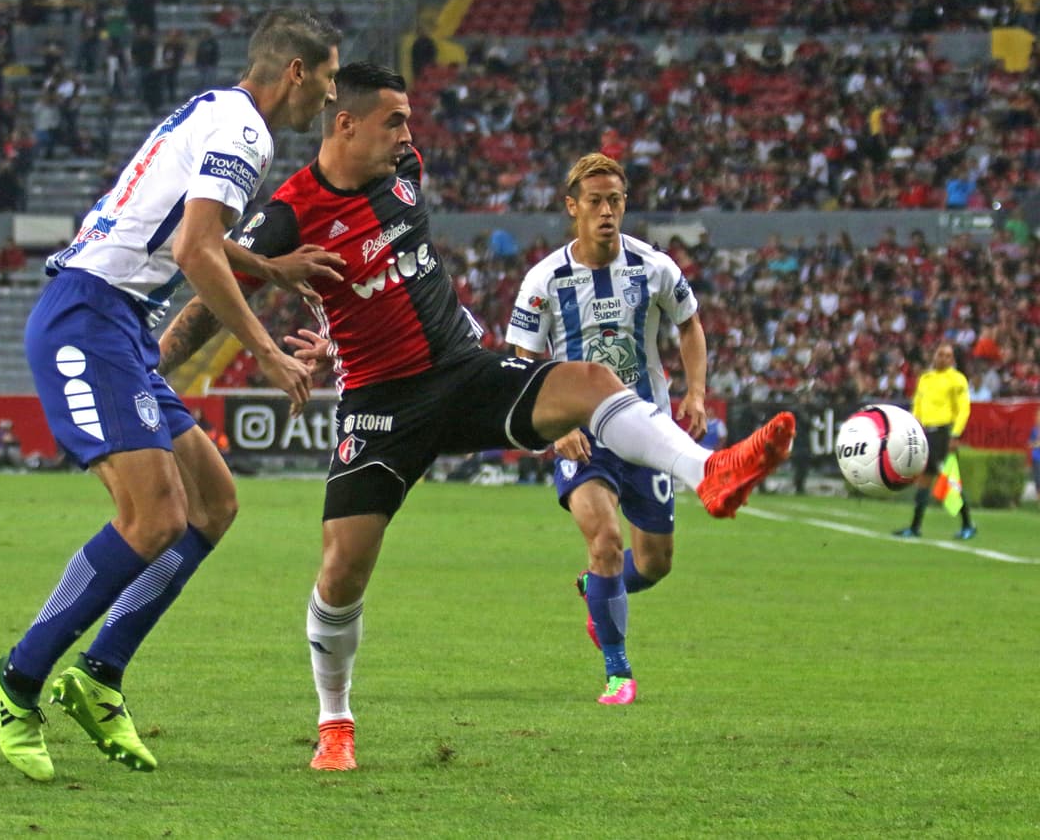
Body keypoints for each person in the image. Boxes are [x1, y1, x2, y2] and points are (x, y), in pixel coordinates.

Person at [156, 62, 796, 771]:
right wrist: (156, 365)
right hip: (380, 406)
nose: (409, 134)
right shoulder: (289, 214)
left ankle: (711, 470)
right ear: (346, 124)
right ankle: (335, 721)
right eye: (394, 120)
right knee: (341, 571)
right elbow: (209, 288)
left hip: (463, 372)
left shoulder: (406, 171)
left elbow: (390, 277)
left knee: (591, 379)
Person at [0, 9, 345, 783]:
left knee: (211, 503)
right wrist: (267, 350)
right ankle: (15, 678)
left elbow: (178, 225)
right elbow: (192, 248)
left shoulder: (219, 112)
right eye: (330, 78)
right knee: (153, 516)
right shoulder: (248, 134)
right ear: (297, 73)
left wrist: (271, 269)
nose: (331, 96)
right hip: (89, 316)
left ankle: (100, 673)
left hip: (121, 323)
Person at [505, 153, 707, 706]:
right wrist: (552, 428)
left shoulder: (655, 267)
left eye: (614, 200)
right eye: (594, 201)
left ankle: (598, 587)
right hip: (583, 436)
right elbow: (521, 360)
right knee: (606, 540)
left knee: (656, 563)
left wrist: (695, 391)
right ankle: (618, 673)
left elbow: (689, 324)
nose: (606, 211)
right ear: (573, 208)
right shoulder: (544, 280)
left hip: (647, 432)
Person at [894, 342, 975, 540]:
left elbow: (963, 409)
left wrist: (955, 435)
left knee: (948, 479)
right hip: (925, 433)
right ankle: (915, 527)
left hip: (943, 433)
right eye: (940, 354)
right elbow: (918, 407)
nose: (943, 358)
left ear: (953, 359)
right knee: (924, 479)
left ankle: (967, 524)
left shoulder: (957, 380)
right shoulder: (925, 379)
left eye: (947, 356)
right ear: (934, 356)